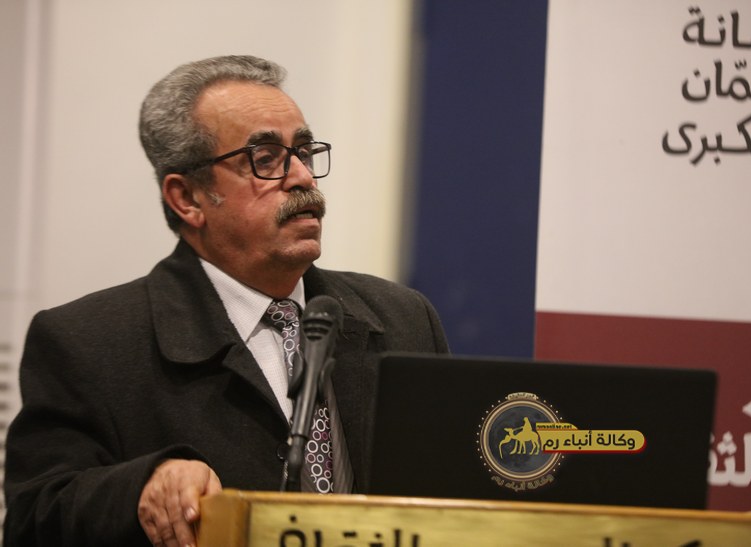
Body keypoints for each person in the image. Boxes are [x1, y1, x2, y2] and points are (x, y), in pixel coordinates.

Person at [3, 55, 449, 547]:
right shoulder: (89, 342)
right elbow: (34, 518)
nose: (302, 177)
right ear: (188, 198)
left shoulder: (403, 318)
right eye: (266, 159)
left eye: (303, 152)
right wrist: (141, 485)